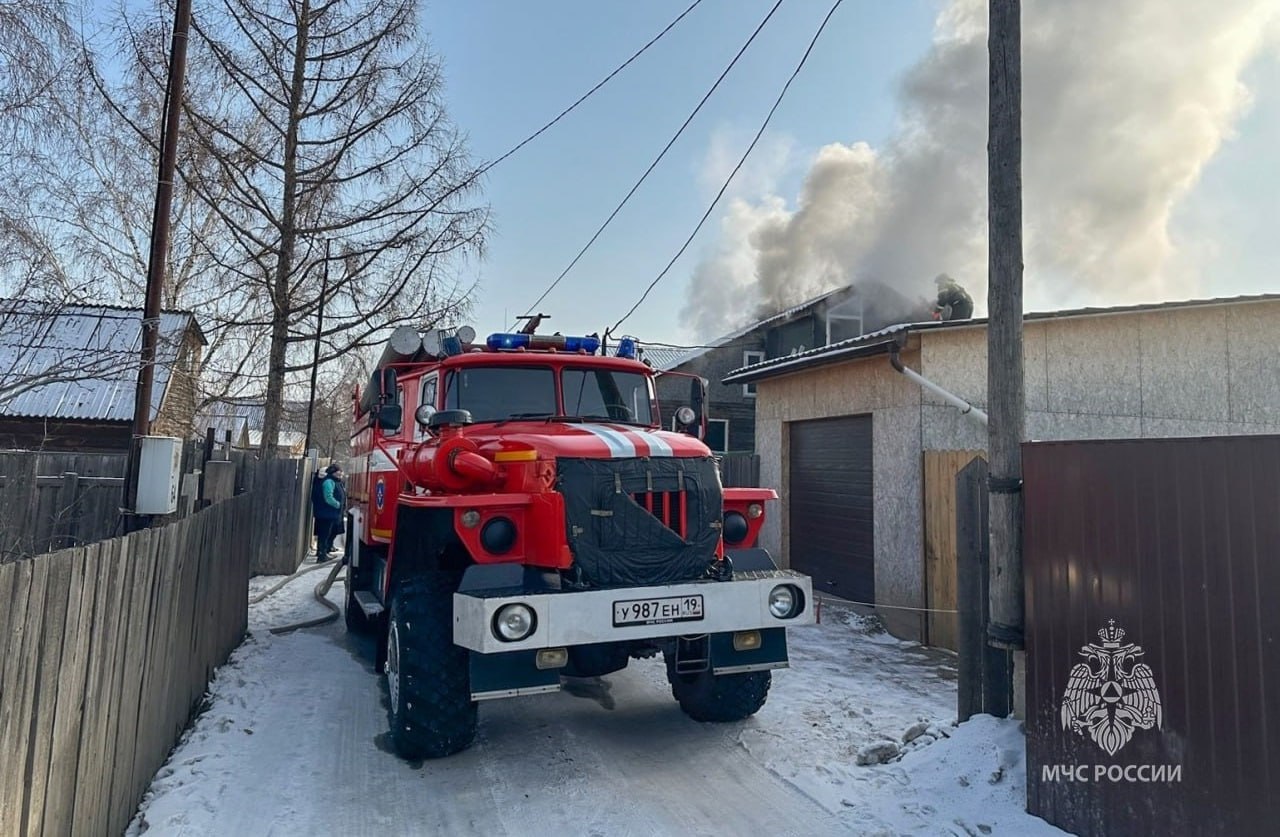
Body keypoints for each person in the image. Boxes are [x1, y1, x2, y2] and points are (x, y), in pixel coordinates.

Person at [311, 464, 346, 562]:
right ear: (333, 472)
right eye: (338, 471)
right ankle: (322, 555)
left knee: (326, 534)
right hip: (326, 513)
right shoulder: (328, 482)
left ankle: (324, 552)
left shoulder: (334, 481)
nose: (340, 473)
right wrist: (338, 505)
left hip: (329, 513)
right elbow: (328, 497)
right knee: (324, 534)